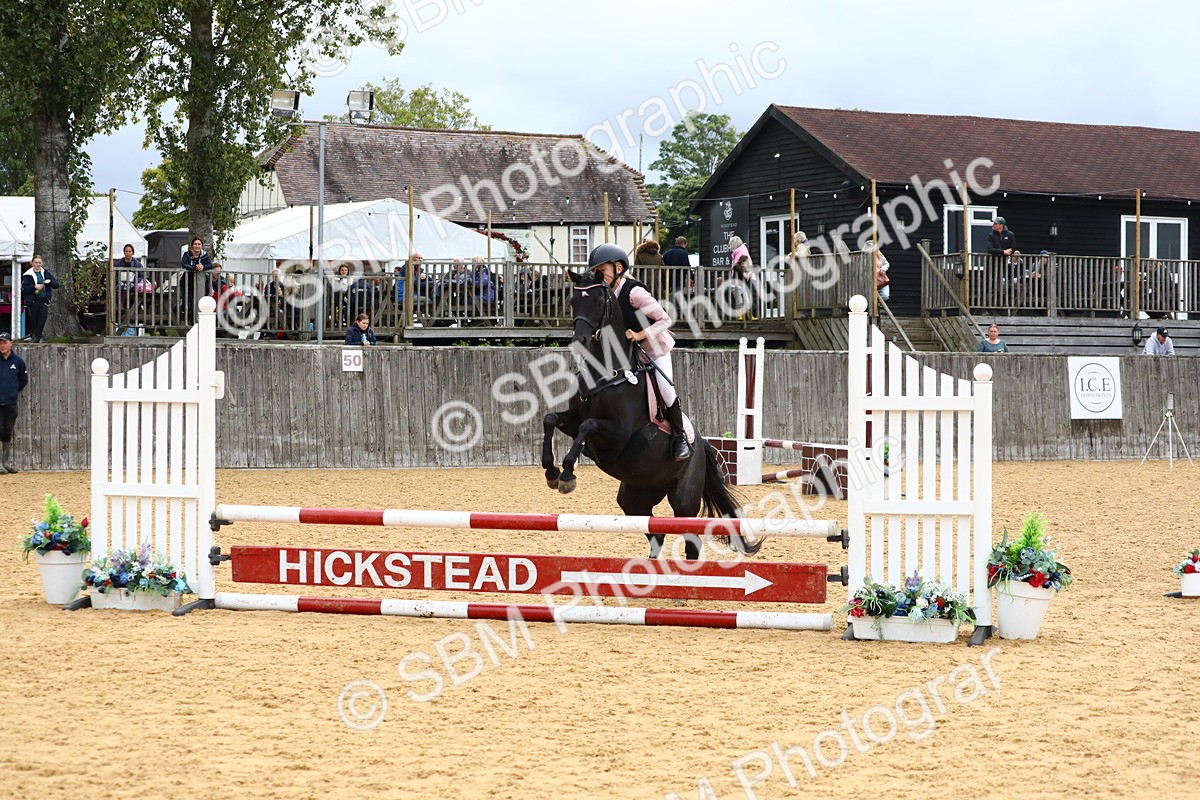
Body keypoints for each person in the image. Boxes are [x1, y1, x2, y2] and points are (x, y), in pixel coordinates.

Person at [587, 243, 691, 461]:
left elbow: (666, 320)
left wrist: (639, 334)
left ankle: (680, 438)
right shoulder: (605, 294)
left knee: (665, 388)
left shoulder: (634, 293)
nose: (598, 276)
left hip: (655, 349)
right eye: (595, 272)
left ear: (617, 268)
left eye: (601, 271)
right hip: (630, 352)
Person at [0, 332, 28, 473]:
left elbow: (23, 380)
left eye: (4, 342)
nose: (2, 346)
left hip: (10, 403)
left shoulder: (18, 361)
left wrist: (12, 391)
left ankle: (5, 462)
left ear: (11, 343)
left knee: (7, 432)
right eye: (0, 343)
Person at [20, 254, 58, 343]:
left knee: (42, 319)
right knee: (34, 319)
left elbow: (56, 284)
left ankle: (37, 336)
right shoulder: (27, 275)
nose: (38, 264)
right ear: (32, 263)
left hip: (43, 299)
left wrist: (50, 282)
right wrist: (34, 287)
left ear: (42, 263)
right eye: (36, 262)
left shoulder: (46, 273)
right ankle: (34, 335)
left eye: (39, 262)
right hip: (33, 299)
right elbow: (24, 288)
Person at [180, 237, 213, 321]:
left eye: (199, 244)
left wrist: (203, 267)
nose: (197, 246)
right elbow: (184, 264)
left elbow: (210, 265)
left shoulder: (204, 255)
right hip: (187, 282)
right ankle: (187, 317)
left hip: (200, 283)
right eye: (195, 244)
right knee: (187, 303)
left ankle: (197, 321)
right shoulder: (187, 254)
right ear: (192, 246)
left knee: (199, 302)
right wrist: (195, 267)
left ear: (201, 246)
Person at [728, 235, 759, 319]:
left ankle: (751, 314)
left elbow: (736, 265)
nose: (730, 246)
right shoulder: (742, 250)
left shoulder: (740, 251)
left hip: (744, 277)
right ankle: (750, 315)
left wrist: (745, 274)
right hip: (747, 276)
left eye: (731, 244)